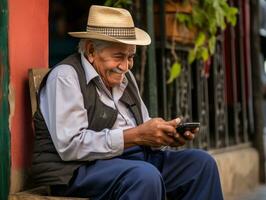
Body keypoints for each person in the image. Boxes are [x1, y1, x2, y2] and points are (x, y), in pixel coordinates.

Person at [31, 5, 224, 200]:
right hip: (79, 170)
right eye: (118, 57)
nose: (125, 66)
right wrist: (136, 136)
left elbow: (142, 125)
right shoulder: (66, 77)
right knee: (144, 177)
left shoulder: (125, 77)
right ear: (91, 51)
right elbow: (71, 145)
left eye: (130, 57)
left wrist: (164, 136)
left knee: (201, 165)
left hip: (133, 162)